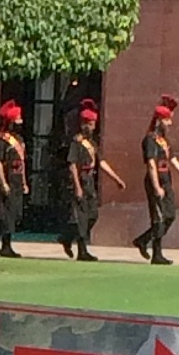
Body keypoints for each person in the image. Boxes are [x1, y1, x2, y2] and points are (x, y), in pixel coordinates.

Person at [133, 95, 179, 265]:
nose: (169, 124)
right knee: (159, 218)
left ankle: (143, 240)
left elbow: (173, 160)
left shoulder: (164, 141)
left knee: (170, 215)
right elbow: (151, 164)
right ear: (159, 121)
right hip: (155, 180)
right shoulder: (150, 140)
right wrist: (156, 186)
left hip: (166, 179)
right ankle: (157, 253)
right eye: (167, 120)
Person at [61, 101, 123, 263]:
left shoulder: (92, 144)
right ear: (84, 124)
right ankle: (82, 250)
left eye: (93, 124)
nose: (92, 127)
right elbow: (72, 165)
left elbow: (101, 162)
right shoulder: (77, 143)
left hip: (89, 181)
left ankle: (67, 237)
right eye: (90, 124)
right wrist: (77, 186)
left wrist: (116, 179)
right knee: (82, 217)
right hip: (80, 180)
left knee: (92, 215)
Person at [0, 100, 28, 258]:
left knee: (16, 213)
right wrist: (3, 182)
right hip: (8, 178)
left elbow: (22, 163)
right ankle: (6, 245)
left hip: (17, 179)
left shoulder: (19, 140)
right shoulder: (1, 141)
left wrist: (24, 182)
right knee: (8, 214)